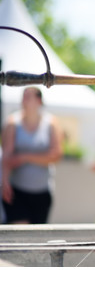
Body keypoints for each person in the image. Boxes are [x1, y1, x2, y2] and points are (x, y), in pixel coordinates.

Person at [1, 87, 63, 224]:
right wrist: (4, 182)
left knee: (37, 238)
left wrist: (25, 157)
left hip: (42, 193)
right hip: (17, 191)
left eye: (28, 97)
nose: (24, 101)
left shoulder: (51, 123)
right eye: (23, 97)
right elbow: (7, 156)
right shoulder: (13, 122)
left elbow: (56, 155)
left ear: (39, 100)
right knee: (20, 234)